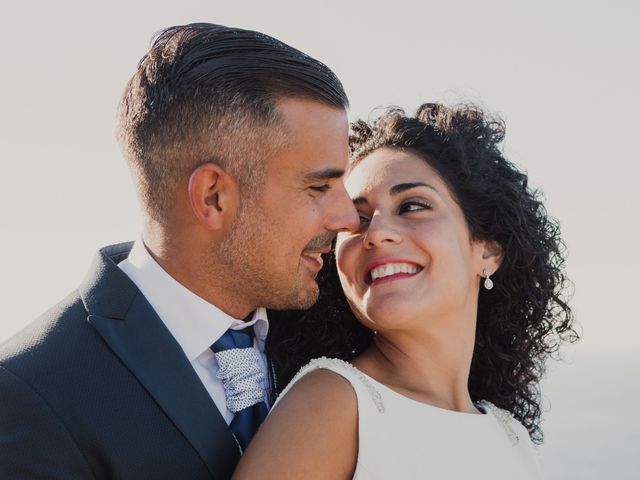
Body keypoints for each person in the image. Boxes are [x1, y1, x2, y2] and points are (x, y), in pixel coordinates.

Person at [0, 23, 359, 479]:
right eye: (319, 186)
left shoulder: (338, 340)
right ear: (213, 197)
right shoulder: (32, 394)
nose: (348, 218)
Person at [234, 103, 579, 479]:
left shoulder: (511, 437)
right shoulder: (335, 404)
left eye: (413, 206)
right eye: (358, 219)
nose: (377, 233)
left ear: (488, 250)